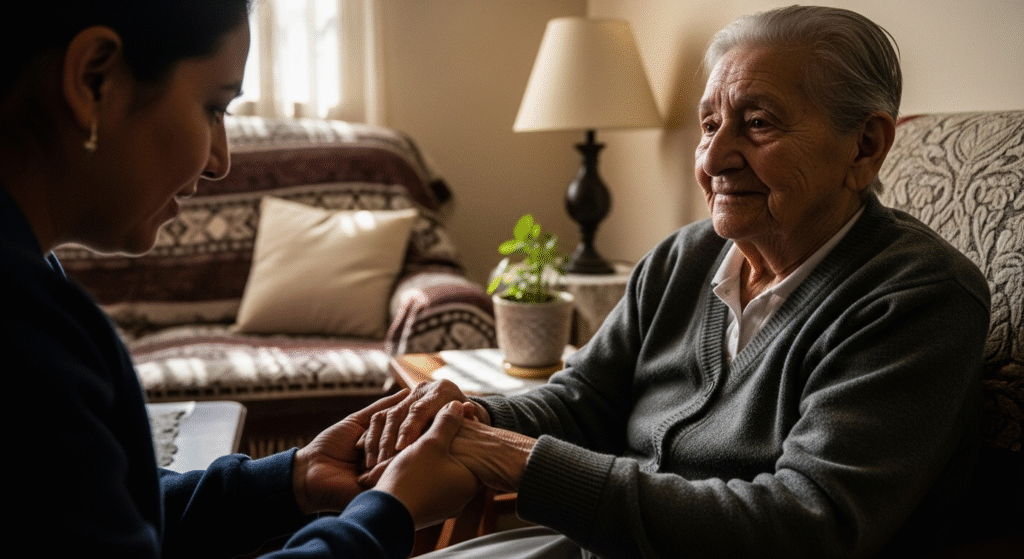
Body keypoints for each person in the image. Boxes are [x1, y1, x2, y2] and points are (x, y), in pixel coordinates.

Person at [361, 6, 991, 558]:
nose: (713, 159)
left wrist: (518, 461)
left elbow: (805, 525)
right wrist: (471, 417)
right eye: (710, 124)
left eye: (759, 123)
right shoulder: (685, 258)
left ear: (865, 147)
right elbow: (585, 401)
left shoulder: (917, 300)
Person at [3, 2, 478, 557]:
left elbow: (108, 508)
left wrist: (295, 477)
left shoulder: (33, 277)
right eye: (213, 107)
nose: (220, 160)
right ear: (94, 78)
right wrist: (388, 515)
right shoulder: (22, 332)